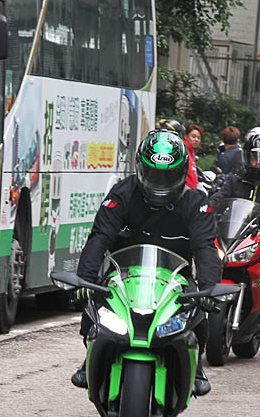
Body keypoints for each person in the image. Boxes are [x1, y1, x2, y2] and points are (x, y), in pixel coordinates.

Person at [70, 129, 222, 396]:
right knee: (94, 304)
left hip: (176, 279)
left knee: (199, 314)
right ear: (140, 169)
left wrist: (210, 290)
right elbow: (100, 238)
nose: (160, 182)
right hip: (123, 275)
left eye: (168, 175)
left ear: (182, 172)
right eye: (153, 174)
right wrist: (84, 280)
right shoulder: (122, 193)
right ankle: (91, 354)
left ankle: (196, 364)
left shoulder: (196, 202)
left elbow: (206, 248)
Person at [210, 126, 260, 337]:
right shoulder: (235, 180)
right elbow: (219, 198)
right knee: (206, 257)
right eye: (253, 158)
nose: (257, 163)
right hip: (233, 236)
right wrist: (207, 210)